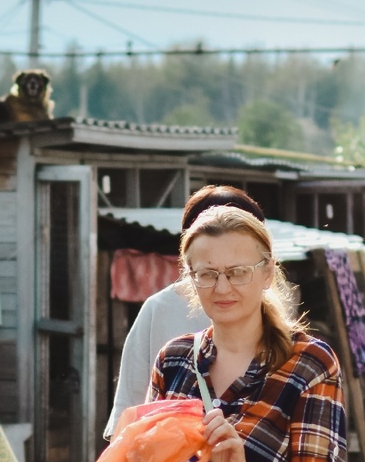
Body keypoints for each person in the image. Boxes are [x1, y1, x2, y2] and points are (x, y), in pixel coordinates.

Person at [148, 200, 348, 462]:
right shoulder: (172, 361)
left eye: (238, 272)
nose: (222, 287)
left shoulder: (310, 363)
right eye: (206, 274)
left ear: (268, 272)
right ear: (190, 278)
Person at [103, 186, 266, 439]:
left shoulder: (293, 339)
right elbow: (129, 419)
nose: (223, 287)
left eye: (238, 270)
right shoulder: (160, 314)